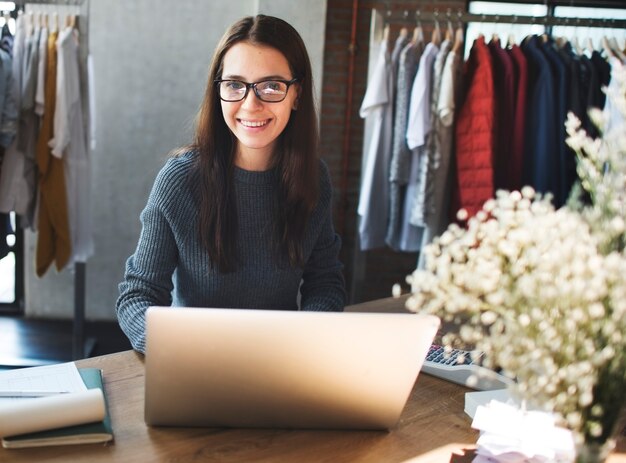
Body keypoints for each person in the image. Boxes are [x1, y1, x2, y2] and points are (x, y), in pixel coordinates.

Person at [116, 15, 346, 353]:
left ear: (296, 93)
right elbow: (139, 295)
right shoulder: (178, 181)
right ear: (218, 89)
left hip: (283, 364)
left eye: (271, 86)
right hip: (194, 366)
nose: (251, 104)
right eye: (235, 84)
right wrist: (174, 350)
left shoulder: (313, 179)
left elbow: (325, 284)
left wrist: (303, 345)